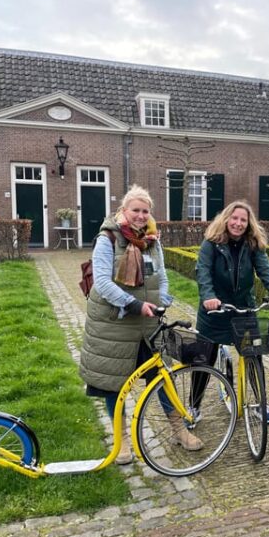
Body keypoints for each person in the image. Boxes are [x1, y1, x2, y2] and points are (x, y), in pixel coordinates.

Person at [79, 186, 202, 464]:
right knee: (115, 383)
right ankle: (121, 442)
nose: (140, 215)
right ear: (124, 211)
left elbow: (162, 274)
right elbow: (102, 283)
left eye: (145, 211)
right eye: (135, 210)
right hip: (115, 324)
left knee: (160, 376)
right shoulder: (107, 238)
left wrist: (165, 298)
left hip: (147, 323)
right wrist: (134, 304)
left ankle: (179, 430)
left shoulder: (152, 240)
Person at [194, 200, 269, 424]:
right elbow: (204, 272)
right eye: (234, 218)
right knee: (203, 360)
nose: (238, 223)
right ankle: (194, 405)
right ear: (226, 219)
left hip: (243, 309)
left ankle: (260, 403)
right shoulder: (211, 243)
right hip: (215, 311)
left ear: (249, 224)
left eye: (243, 220)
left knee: (254, 357)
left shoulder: (252, 244)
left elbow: (265, 269)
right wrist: (208, 296)